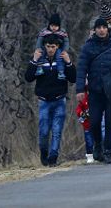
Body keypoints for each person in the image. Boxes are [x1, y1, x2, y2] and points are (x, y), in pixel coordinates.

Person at [25, 34, 76, 166]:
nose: (50, 49)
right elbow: (29, 77)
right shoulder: (40, 59)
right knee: (43, 131)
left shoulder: (62, 59)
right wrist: (34, 60)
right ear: (45, 46)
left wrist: (69, 62)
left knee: (57, 131)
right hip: (44, 101)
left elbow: (73, 78)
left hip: (60, 100)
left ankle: (53, 157)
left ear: (57, 46)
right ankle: (44, 152)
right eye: (48, 46)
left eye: (53, 47)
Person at [75, 18, 111, 164]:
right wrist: (80, 89)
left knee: (110, 122)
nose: (101, 30)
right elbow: (82, 68)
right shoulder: (88, 47)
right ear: (94, 30)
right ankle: (98, 145)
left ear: (108, 29)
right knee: (94, 122)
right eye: (99, 27)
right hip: (95, 90)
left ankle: (109, 152)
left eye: (104, 27)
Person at [34, 14, 70, 80]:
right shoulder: (45, 31)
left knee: (59, 57)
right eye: (52, 26)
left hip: (58, 48)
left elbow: (66, 41)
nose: (53, 28)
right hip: (45, 47)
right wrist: (38, 48)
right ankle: (39, 68)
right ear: (49, 25)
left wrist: (65, 50)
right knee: (41, 55)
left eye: (56, 26)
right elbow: (40, 39)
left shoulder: (62, 32)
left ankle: (61, 72)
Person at [76, 85, 94, 164]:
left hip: (98, 123)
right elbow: (78, 109)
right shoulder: (83, 98)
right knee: (88, 140)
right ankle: (89, 156)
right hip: (87, 124)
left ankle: (101, 153)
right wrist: (81, 113)